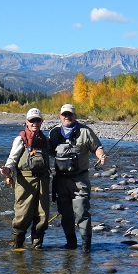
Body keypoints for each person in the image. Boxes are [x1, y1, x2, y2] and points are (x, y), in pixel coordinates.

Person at [48, 103, 106, 252]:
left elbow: (97, 148)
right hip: (60, 181)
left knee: (81, 213)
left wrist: (101, 156)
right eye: (64, 115)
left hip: (79, 180)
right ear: (60, 116)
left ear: (75, 116)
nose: (67, 117)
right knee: (65, 215)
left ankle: (86, 247)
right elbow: (47, 151)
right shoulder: (54, 133)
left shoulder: (85, 132)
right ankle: (71, 244)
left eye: (70, 114)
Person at [0, 108, 50, 249]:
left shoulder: (45, 140)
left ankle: (37, 246)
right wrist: (7, 169)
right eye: (31, 120)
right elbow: (12, 158)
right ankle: (17, 245)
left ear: (41, 122)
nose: (34, 123)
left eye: (37, 120)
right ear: (26, 122)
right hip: (24, 181)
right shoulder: (20, 139)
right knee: (22, 215)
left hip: (43, 181)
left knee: (42, 216)